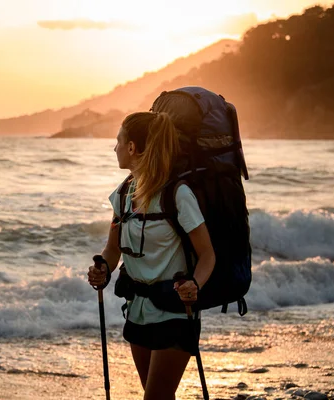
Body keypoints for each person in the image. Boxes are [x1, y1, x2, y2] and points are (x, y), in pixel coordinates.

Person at [87, 111, 216, 400]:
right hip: (138, 310)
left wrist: (195, 284)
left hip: (175, 310)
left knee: (155, 398)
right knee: (158, 396)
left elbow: (207, 254)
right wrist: (102, 270)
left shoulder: (177, 194)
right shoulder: (122, 195)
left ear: (132, 147)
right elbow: (112, 249)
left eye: (118, 141)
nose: (115, 148)